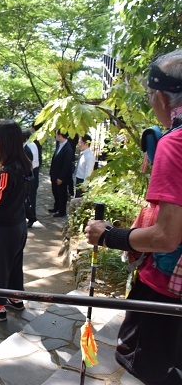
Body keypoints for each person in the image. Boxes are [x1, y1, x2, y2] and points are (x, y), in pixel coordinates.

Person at [86, 50, 182, 385]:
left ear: (161, 97)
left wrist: (108, 235)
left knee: (149, 366)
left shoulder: (175, 143)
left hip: (167, 290)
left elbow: (166, 237)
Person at [0, 120, 32, 321]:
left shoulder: (7, 172)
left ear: (4, 142)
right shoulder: (25, 165)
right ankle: (16, 298)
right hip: (19, 224)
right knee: (15, 264)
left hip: (4, 229)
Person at [49, 130, 74, 217]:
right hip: (55, 174)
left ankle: (62, 211)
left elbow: (66, 165)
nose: (55, 136)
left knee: (62, 194)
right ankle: (56, 207)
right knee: (55, 192)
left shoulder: (68, 148)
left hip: (61, 176)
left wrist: (61, 178)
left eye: (56, 134)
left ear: (60, 136)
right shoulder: (59, 144)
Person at [23, 129, 39, 228]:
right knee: (27, 197)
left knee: (30, 197)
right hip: (30, 173)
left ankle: (32, 216)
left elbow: (30, 163)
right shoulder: (28, 146)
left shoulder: (29, 147)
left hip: (30, 173)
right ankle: (31, 216)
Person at [74, 134, 95, 198]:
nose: (79, 144)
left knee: (80, 199)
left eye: (80, 143)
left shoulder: (89, 156)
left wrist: (85, 184)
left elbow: (88, 172)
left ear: (86, 144)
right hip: (78, 179)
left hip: (82, 181)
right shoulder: (83, 153)